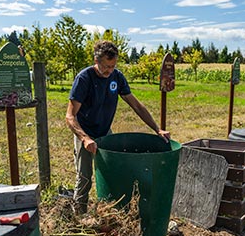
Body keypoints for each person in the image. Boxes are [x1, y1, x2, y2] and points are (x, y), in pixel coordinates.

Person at [66, 40, 170, 213]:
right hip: (85, 133)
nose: (109, 70)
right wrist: (85, 139)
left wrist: (157, 129)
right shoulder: (84, 79)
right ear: (96, 61)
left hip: (105, 132)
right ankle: (79, 217)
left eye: (113, 66)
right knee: (85, 178)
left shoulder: (117, 77)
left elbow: (136, 106)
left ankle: (110, 212)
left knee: (111, 173)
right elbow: (70, 116)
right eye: (106, 66)